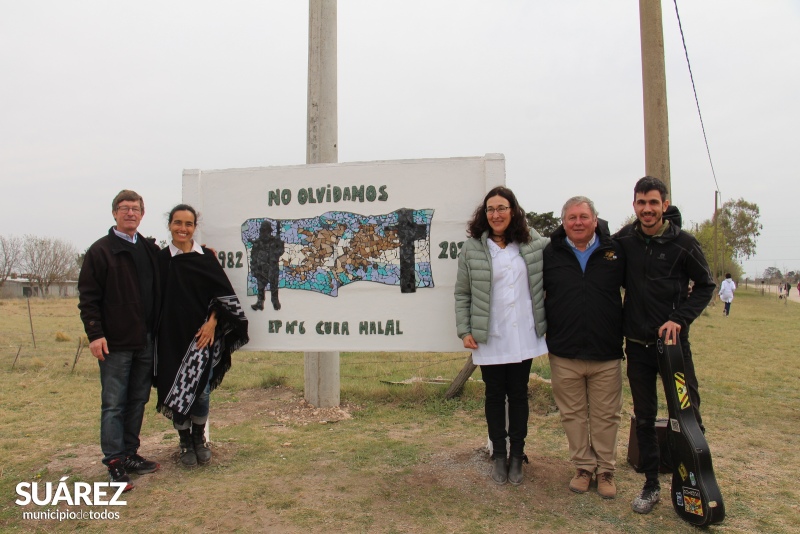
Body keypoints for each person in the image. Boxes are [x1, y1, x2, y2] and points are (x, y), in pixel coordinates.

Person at [614, 176, 715, 514]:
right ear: (634, 206)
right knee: (644, 418)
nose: (647, 209)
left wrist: (680, 318)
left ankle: (693, 480)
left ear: (665, 205)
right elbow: (595, 249)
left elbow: (705, 285)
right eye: (641, 203)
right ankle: (652, 484)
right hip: (638, 348)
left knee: (685, 415)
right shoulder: (625, 239)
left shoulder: (684, 243)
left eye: (653, 203)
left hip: (672, 349)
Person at [454, 186, 548, 486]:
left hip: (523, 333)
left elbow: (570, 240)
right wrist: (465, 329)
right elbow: (462, 292)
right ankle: (499, 455)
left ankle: (518, 456)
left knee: (519, 394)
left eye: (502, 208)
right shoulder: (472, 249)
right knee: (494, 395)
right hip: (489, 334)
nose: (496, 214)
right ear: (485, 214)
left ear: (513, 211)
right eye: (491, 209)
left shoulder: (532, 244)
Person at [78, 190, 161, 491]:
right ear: (114, 213)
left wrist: (204, 252)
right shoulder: (100, 252)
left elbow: (175, 266)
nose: (130, 213)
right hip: (114, 343)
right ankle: (114, 461)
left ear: (142, 214)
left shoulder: (149, 250)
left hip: (144, 340)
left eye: (135, 209)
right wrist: (95, 333)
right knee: (114, 403)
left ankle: (129, 453)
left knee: (137, 400)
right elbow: (88, 297)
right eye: (124, 208)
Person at [543, 196, 624, 499]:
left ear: (595, 219)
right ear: (563, 222)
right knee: (572, 415)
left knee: (606, 416)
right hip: (564, 351)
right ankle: (583, 467)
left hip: (606, 351)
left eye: (583, 217)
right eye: (571, 217)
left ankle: (605, 470)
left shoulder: (614, 251)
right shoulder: (550, 253)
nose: (577, 222)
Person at [155, 204, 249, 467]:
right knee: (174, 390)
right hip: (170, 339)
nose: (182, 228)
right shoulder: (160, 260)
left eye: (188, 224)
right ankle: (184, 442)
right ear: (170, 225)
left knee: (202, 391)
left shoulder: (206, 258)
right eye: (177, 223)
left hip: (202, 338)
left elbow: (222, 296)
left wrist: (212, 323)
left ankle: (199, 438)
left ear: (194, 227)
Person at [250, 220, 285, 311]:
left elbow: (280, 252)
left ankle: (275, 301)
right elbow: (253, 257)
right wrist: (253, 269)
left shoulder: (274, 241)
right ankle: (260, 302)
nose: (263, 233)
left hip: (272, 269)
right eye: (262, 231)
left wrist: (278, 244)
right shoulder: (258, 243)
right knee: (260, 287)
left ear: (269, 231)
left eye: (265, 231)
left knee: (274, 286)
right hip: (261, 269)